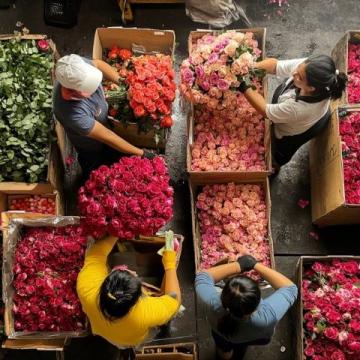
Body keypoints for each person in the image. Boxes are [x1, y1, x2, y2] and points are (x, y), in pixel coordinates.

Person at [53, 54, 155, 180]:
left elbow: (98, 64)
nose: (95, 88)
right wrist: (141, 153)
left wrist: (122, 82)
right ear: (71, 93)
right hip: (91, 146)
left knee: (112, 153)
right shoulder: (72, 113)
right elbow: (107, 137)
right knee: (94, 170)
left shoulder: (75, 67)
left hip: (102, 123)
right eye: (88, 88)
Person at [76, 235, 181, 354]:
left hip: (104, 332)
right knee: (138, 339)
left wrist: (118, 232)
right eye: (134, 276)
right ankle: (130, 347)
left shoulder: (87, 287)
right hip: (130, 339)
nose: (134, 273)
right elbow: (174, 301)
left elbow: (96, 253)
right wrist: (169, 265)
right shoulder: (144, 313)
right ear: (137, 299)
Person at [239, 55, 347, 168]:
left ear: (311, 88)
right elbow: (275, 66)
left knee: (279, 154)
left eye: (299, 77)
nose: (294, 73)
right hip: (306, 115)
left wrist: (244, 86)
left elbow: (266, 111)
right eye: (298, 68)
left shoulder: (299, 109)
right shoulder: (307, 68)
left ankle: (275, 166)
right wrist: (249, 70)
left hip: (291, 135)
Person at [195, 253, 297, 360]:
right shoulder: (265, 317)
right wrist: (255, 264)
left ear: (223, 296)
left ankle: (223, 356)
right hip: (250, 337)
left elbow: (202, 277)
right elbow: (291, 289)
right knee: (241, 348)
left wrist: (239, 265)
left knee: (223, 348)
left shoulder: (211, 301)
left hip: (220, 332)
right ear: (255, 306)